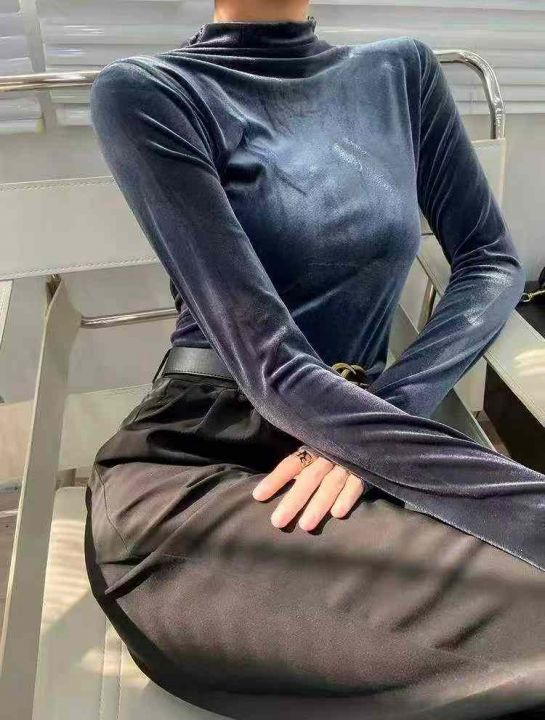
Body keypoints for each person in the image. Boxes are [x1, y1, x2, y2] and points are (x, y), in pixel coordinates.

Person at [84, 2, 545, 718]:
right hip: (202, 467)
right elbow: (269, 364)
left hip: (362, 438)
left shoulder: (401, 72)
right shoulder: (150, 90)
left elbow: (490, 260)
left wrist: (382, 415)